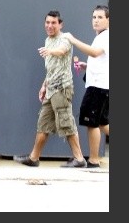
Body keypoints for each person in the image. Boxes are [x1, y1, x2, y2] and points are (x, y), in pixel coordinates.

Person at [14, 9, 87, 168]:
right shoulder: (48, 40)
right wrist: (43, 86)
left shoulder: (65, 38)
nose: (50, 25)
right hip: (51, 88)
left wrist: (50, 51)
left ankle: (79, 159)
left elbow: (61, 52)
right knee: (43, 124)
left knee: (66, 122)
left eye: (54, 23)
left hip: (62, 88)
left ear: (60, 24)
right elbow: (51, 68)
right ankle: (34, 158)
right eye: (47, 22)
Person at [63, 4, 109, 168]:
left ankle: (94, 160)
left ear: (108, 20)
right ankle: (94, 159)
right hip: (101, 85)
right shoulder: (101, 37)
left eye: (100, 17)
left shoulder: (105, 37)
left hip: (98, 87)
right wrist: (86, 66)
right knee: (103, 124)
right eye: (94, 17)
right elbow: (103, 61)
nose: (96, 21)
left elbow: (95, 53)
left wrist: (73, 40)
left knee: (92, 123)